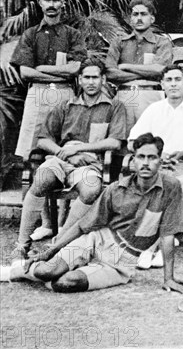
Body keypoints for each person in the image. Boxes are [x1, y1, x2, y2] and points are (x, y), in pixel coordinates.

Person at [1, 133, 183, 294]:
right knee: (46, 272)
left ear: (160, 160)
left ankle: (72, 268)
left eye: (152, 157)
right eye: (141, 157)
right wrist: (50, 251)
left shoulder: (171, 188)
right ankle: (15, 271)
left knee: (64, 283)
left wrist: (168, 278)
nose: (146, 163)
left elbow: (167, 235)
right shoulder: (116, 189)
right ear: (133, 160)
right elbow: (84, 225)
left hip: (122, 261)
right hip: (96, 240)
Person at [12, 59, 126, 259]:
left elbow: (115, 142)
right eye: (87, 77)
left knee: (91, 189)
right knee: (41, 178)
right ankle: (22, 245)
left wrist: (81, 149)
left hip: (90, 163)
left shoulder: (114, 107)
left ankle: (59, 242)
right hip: (61, 158)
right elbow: (43, 139)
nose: (91, 82)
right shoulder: (65, 105)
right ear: (79, 80)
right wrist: (62, 152)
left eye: (95, 77)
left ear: (103, 79)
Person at [11, 0, 87, 241]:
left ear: (62, 3)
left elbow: (75, 69)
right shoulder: (31, 34)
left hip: (65, 95)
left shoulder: (72, 34)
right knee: (33, 158)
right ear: (40, 2)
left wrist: (42, 69)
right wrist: (49, 72)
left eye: (56, 0)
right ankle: (43, 222)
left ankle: (64, 222)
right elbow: (24, 72)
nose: (52, 5)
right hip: (37, 97)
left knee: (65, 153)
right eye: (47, 0)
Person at [128, 64, 183, 267]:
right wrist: (156, 155)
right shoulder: (154, 109)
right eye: (169, 80)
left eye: (178, 79)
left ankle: (150, 247)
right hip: (156, 166)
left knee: (170, 188)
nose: (174, 84)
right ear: (162, 84)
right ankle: (163, 242)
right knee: (152, 188)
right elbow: (132, 141)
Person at [105, 0, 173, 135]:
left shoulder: (162, 42)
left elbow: (160, 70)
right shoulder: (119, 42)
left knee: (149, 139)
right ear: (130, 19)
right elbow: (110, 73)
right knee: (121, 140)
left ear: (152, 19)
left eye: (143, 14)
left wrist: (125, 66)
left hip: (151, 95)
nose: (139, 18)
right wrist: (146, 72)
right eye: (135, 15)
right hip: (123, 95)